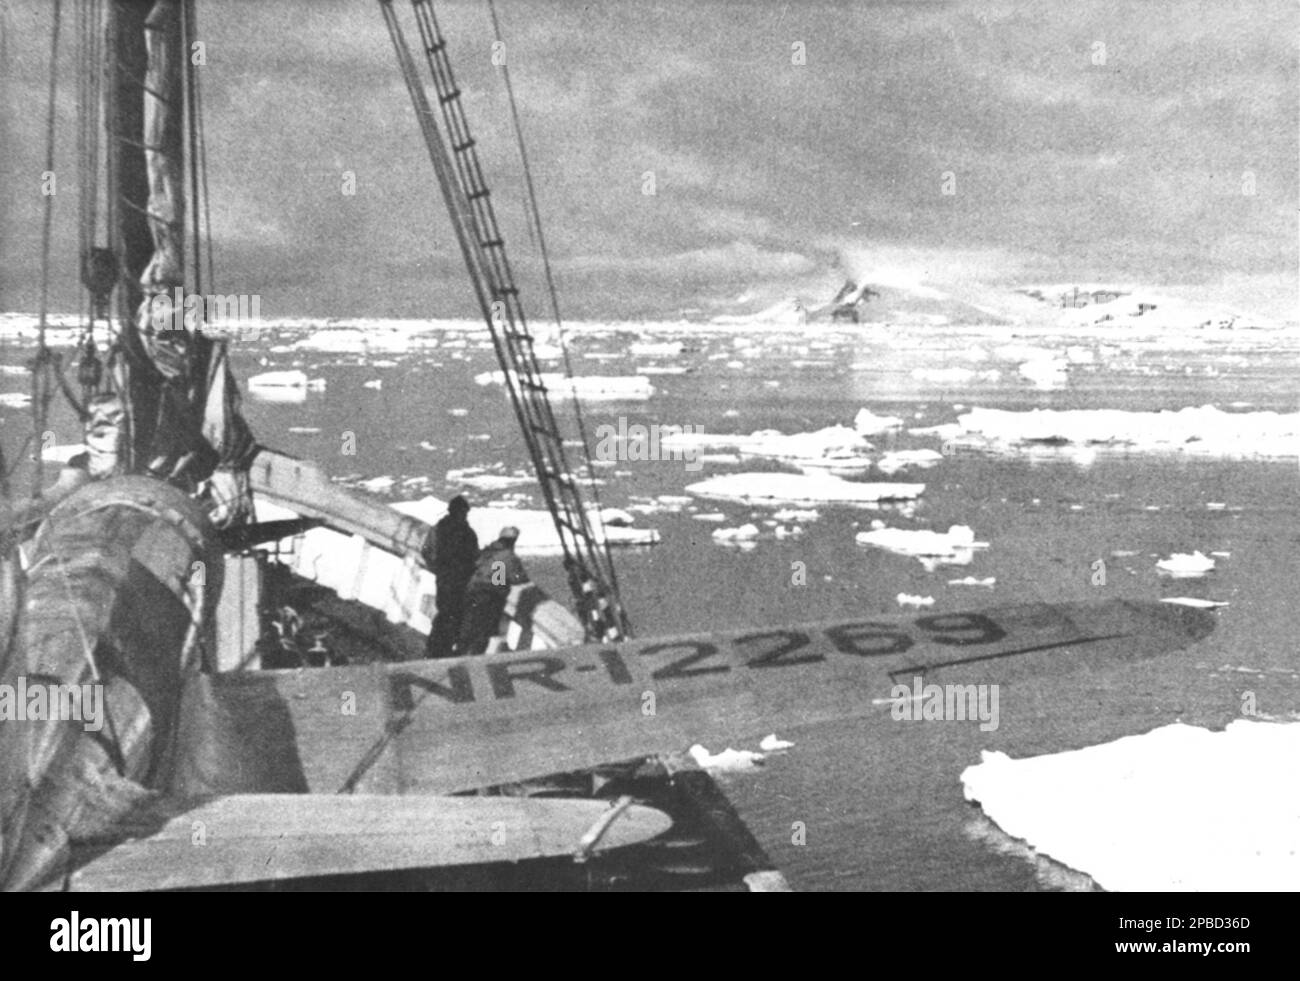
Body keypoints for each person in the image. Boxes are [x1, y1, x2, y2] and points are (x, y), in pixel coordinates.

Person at [421, 496, 479, 658]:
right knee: (454, 614)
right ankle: (441, 649)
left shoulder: (438, 529)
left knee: (445, 612)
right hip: (459, 580)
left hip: (445, 579)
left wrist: (437, 569)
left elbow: (426, 551)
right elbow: (475, 557)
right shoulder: (468, 533)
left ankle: (435, 649)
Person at [458, 526, 530, 656]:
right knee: (483, 631)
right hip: (490, 597)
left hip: (472, 592)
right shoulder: (508, 556)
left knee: (468, 628)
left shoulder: (487, 551)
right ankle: (474, 658)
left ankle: (459, 653)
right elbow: (516, 578)